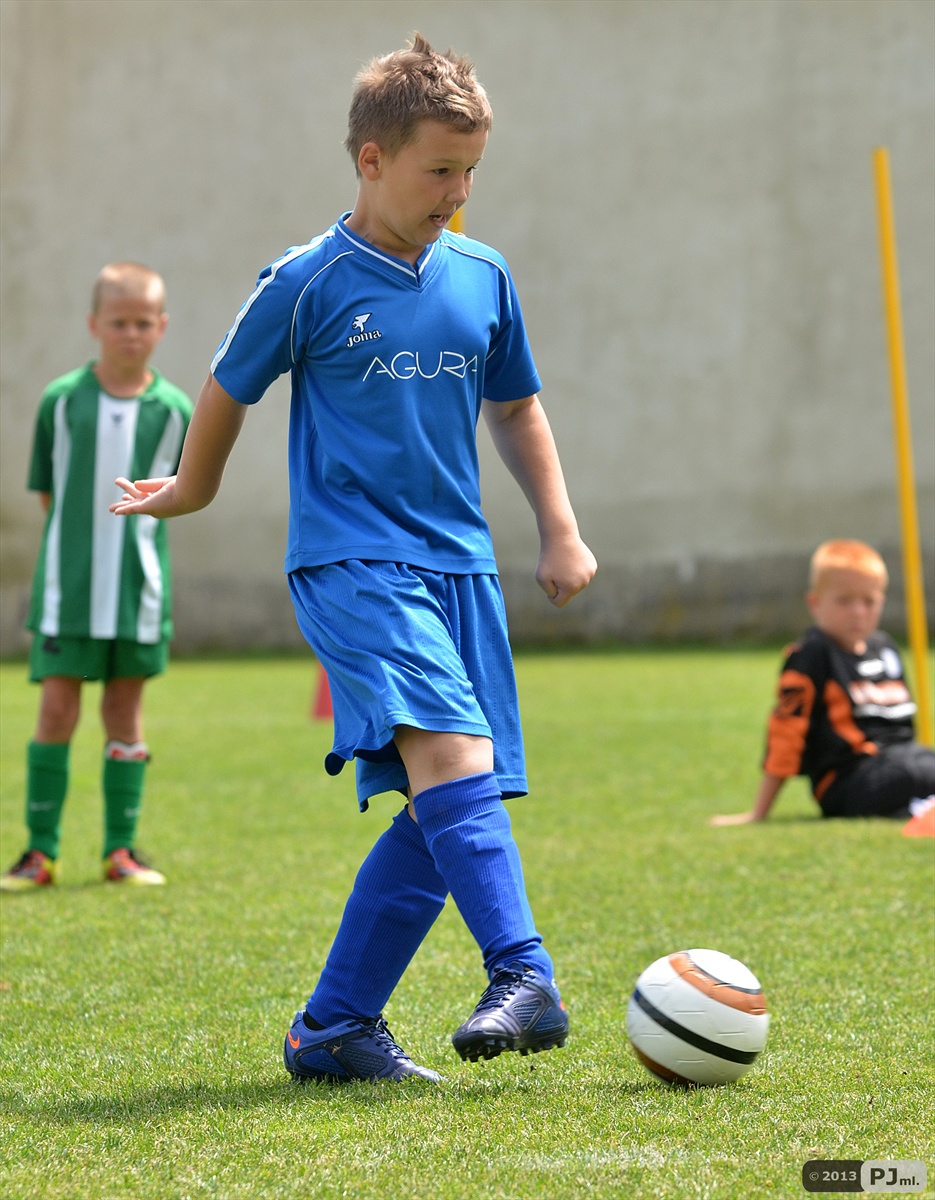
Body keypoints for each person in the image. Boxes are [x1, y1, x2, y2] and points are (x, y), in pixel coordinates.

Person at [109, 34, 596, 1082]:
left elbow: (516, 407)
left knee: (449, 804)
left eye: (471, 171)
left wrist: (558, 527)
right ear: (371, 160)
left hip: (461, 568)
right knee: (454, 764)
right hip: (354, 562)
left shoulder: (483, 275)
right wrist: (193, 486)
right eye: (438, 169)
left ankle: (333, 1028)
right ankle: (523, 972)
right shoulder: (307, 281)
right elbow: (228, 386)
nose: (457, 193)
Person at [1, 263, 193, 891]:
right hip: (69, 593)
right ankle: (39, 853)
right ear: (94, 325)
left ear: (161, 327)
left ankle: (120, 851)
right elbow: (48, 494)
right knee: (56, 711)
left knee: (124, 713)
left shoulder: (175, 410)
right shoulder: (61, 402)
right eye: (118, 322)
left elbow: (185, 492)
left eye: (143, 322)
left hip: (139, 594)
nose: (130, 333)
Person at [710, 539, 934, 826]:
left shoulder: (886, 649)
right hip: (848, 779)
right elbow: (786, 735)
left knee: (919, 766)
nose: (858, 612)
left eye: (869, 601)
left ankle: (919, 806)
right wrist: (758, 814)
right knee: (910, 773)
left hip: (902, 760)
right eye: (844, 601)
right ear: (814, 603)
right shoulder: (811, 656)